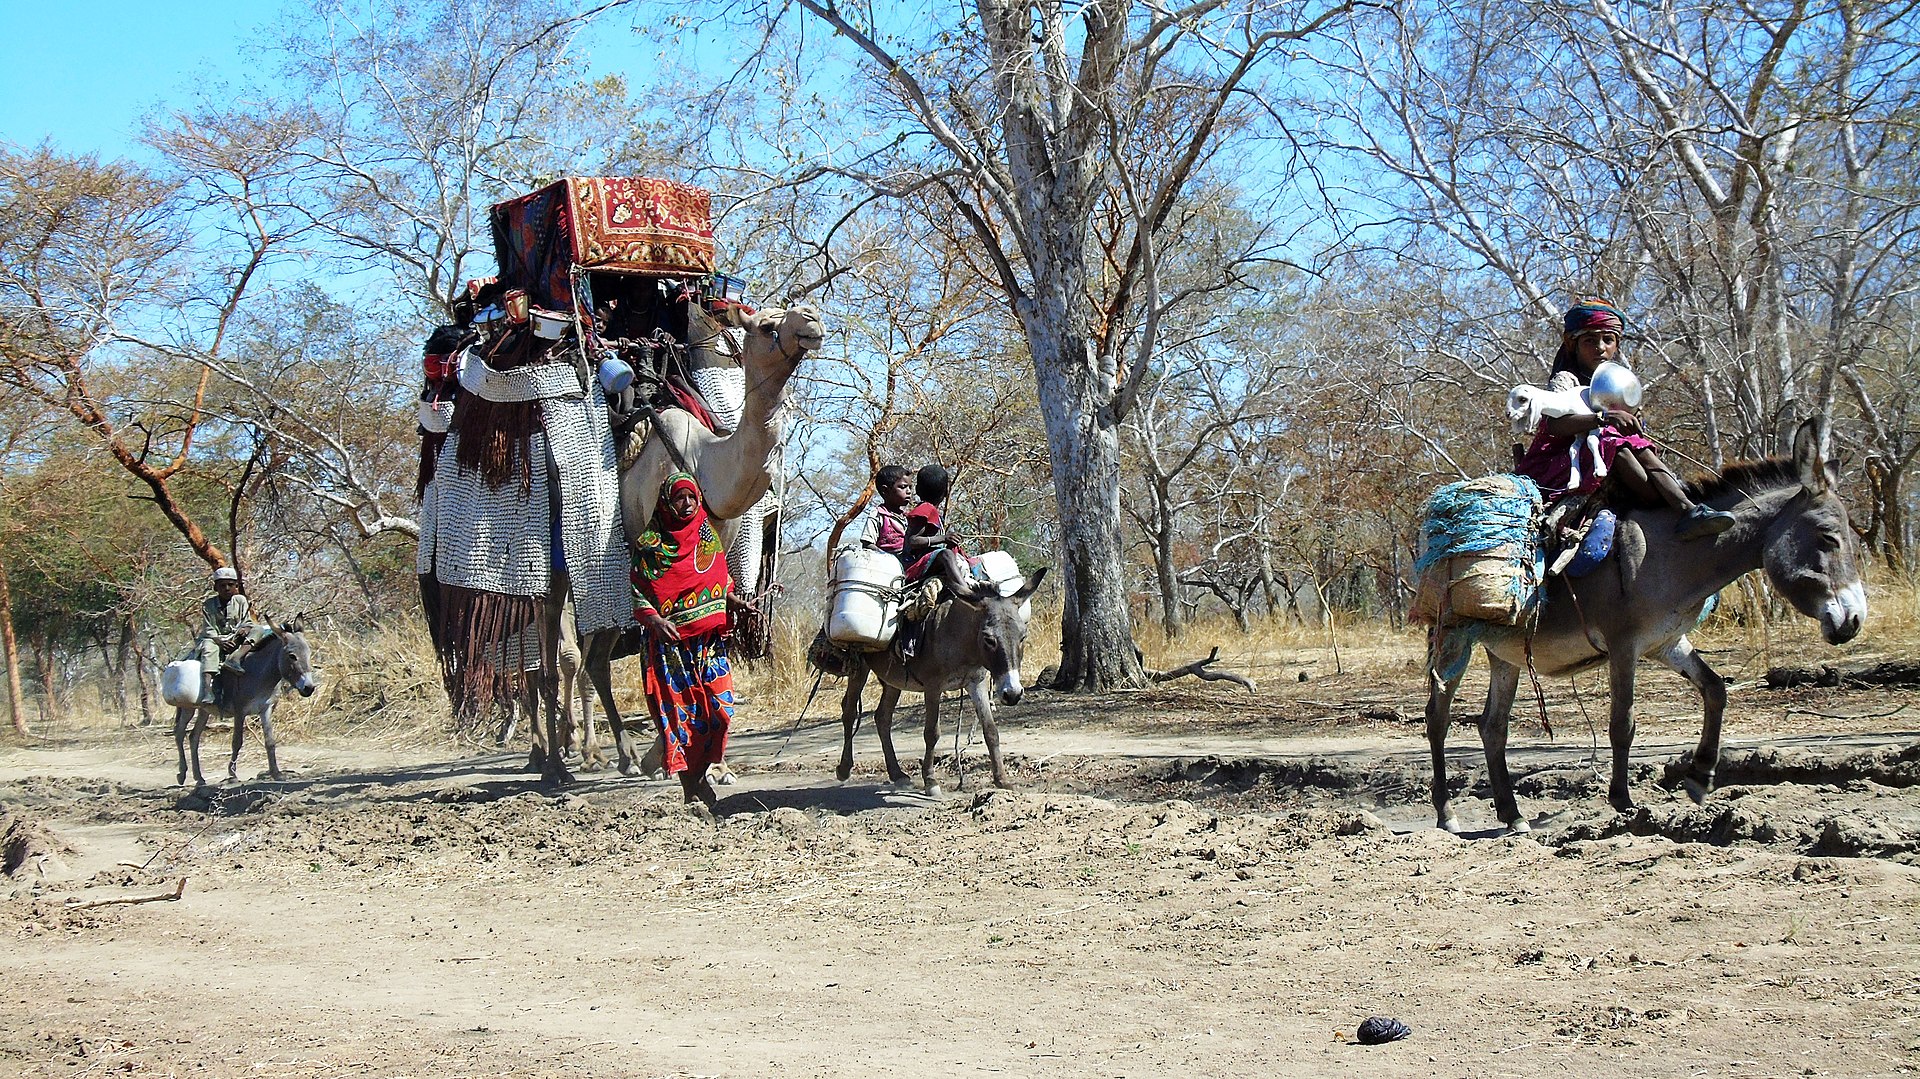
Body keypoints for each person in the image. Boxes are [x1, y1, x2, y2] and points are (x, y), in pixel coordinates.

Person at [1513, 299, 1735, 540]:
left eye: (1608, 340)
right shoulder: (1566, 381)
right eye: (1590, 340)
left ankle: (1688, 507)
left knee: (1630, 444)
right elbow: (1555, 426)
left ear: (1616, 345)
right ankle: (1672, 505)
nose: (1600, 347)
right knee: (1611, 442)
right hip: (1563, 462)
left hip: (1610, 455)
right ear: (1572, 344)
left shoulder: (1616, 384)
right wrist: (1603, 419)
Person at [631, 472, 742, 810]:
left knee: (720, 712)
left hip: (707, 645)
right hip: (670, 649)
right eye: (679, 498)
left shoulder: (708, 538)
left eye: (692, 497)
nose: (688, 504)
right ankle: (692, 790)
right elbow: (639, 591)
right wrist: (654, 620)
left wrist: (737, 604)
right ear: (666, 502)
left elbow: (721, 583)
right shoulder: (649, 547)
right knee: (684, 720)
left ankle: (698, 781)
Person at [902, 464, 980, 599]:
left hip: (927, 563)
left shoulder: (933, 512)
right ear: (946, 492)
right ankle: (968, 594)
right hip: (915, 566)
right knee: (946, 555)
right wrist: (944, 538)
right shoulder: (925, 509)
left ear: (917, 489)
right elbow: (913, 540)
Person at [192, 567, 264, 705]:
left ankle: (235, 658)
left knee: (258, 629)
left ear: (236, 586)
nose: (226, 588)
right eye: (222, 585)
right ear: (215, 587)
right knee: (208, 647)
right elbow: (209, 628)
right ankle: (207, 689)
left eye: (230, 585)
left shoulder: (241, 600)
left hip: (235, 637)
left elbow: (247, 620)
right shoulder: (208, 604)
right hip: (215, 639)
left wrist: (245, 628)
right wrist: (219, 641)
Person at [856, 463, 913, 561]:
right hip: (886, 566)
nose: (909, 491)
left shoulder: (908, 517)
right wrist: (887, 558)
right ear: (885, 490)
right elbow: (867, 544)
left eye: (910, 487)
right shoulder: (878, 515)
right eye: (903, 487)